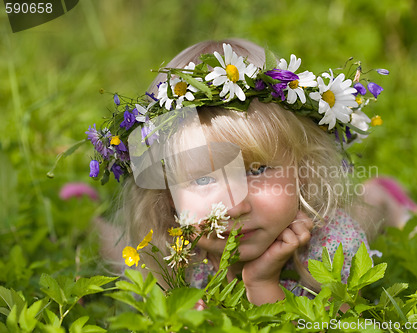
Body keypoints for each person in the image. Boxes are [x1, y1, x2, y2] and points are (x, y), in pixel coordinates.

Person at [88, 39, 401, 305]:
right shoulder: (173, 257)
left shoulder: (330, 249)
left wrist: (263, 284)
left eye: (257, 170)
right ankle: (86, 216)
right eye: (203, 178)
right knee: (118, 249)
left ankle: (385, 197)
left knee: (367, 212)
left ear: (302, 172)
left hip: (322, 226)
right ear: (168, 198)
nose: (236, 206)